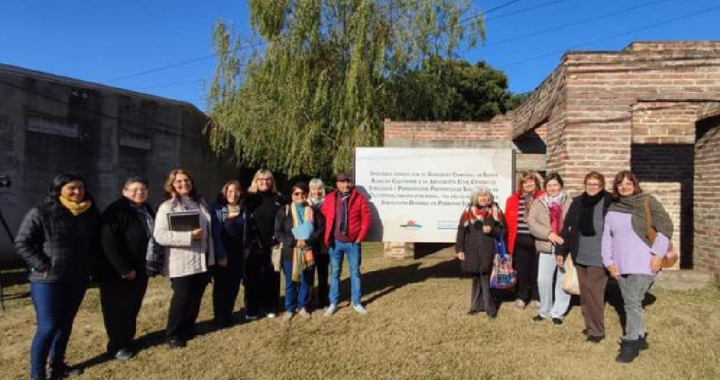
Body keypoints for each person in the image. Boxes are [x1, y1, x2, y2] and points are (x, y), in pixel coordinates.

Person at [15, 173, 101, 380]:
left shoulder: (90, 212)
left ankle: (57, 366)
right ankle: (37, 374)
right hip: (47, 280)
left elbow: (95, 244)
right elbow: (22, 242)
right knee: (48, 326)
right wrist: (42, 265)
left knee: (65, 324)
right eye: (72, 188)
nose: (77, 192)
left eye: (81, 187)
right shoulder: (42, 212)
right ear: (59, 189)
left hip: (77, 278)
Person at [602, 170, 672, 363]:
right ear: (616, 188)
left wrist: (658, 255)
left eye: (628, 183)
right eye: (620, 184)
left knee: (631, 303)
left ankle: (630, 343)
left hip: (644, 263)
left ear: (635, 185)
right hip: (620, 265)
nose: (624, 187)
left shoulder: (647, 201)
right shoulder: (613, 208)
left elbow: (666, 227)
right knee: (632, 302)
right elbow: (607, 237)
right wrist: (608, 262)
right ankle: (641, 337)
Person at [153, 169, 215, 349]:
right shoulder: (167, 206)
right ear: (172, 184)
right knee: (181, 298)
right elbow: (160, 235)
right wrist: (189, 237)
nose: (183, 184)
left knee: (196, 297)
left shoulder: (200, 202)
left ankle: (188, 328)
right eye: (178, 181)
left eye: (186, 180)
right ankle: (173, 334)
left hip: (202, 259)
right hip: (181, 261)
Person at [98, 177, 158, 361]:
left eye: (143, 189)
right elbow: (108, 242)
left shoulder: (146, 209)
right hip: (118, 272)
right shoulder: (116, 211)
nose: (139, 193)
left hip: (140, 268)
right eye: (134, 190)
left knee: (132, 306)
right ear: (124, 191)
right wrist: (123, 268)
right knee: (117, 309)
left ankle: (127, 339)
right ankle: (116, 346)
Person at [556, 172, 613, 342]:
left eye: (596, 184)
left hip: (600, 257)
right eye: (589, 184)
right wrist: (561, 251)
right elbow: (567, 228)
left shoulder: (610, 202)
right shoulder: (578, 202)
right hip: (580, 255)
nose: (592, 187)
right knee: (585, 293)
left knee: (594, 293)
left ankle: (597, 331)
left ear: (602, 186)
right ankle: (590, 325)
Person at [321, 172, 371, 316]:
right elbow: (324, 215)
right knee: (335, 273)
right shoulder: (330, 198)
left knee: (355, 272)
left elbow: (366, 219)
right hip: (335, 243)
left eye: (348, 181)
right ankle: (333, 303)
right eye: (342, 182)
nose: (346, 185)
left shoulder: (359, 198)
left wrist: (359, 237)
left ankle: (356, 302)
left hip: (353, 243)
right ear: (337, 183)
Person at [528, 172, 573, 326]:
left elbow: (574, 223)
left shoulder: (569, 201)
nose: (552, 188)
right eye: (549, 185)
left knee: (562, 280)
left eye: (555, 184)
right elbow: (532, 223)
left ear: (560, 185)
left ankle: (558, 313)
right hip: (546, 245)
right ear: (545, 187)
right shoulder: (539, 202)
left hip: (565, 246)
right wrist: (549, 234)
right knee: (543, 280)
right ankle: (544, 310)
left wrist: (565, 238)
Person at [274, 182, 324, 322]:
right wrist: (294, 242)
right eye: (297, 193)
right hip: (290, 252)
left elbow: (320, 230)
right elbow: (278, 232)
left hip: (308, 251)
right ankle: (289, 309)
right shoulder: (284, 211)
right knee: (291, 282)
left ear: (307, 195)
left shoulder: (313, 211)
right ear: (292, 195)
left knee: (306, 281)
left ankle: (303, 307)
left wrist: (307, 241)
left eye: (303, 193)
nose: (300, 196)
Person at [455, 187, 506, 319]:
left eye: (486, 196)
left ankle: (489, 308)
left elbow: (503, 231)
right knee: (476, 276)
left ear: (490, 198)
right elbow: (461, 230)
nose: (483, 198)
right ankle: (475, 306)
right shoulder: (468, 211)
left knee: (485, 276)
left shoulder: (496, 211)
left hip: (488, 250)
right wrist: (459, 249)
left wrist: (492, 230)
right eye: (480, 196)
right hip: (471, 249)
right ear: (475, 198)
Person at [244, 169, 285, 320]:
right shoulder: (248, 198)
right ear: (255, 180)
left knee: (272, 276)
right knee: (252, 278)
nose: (264, 182)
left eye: (267, 179)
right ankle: (252, 308)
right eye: (261, 179)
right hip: (254, 246)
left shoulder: (279, 198)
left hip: (274, 245)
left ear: (272, 181)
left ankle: (271, 306)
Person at [210, 180, 249, 328]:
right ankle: (219, 317)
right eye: (230, 191)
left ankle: (228, 313)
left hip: (238, 254)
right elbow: (215, 234)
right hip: (223, 254)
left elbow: (246, 232)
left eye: (236, 191)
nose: (233, 194)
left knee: (234, 286)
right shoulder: (218, 209)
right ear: (224, 192)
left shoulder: (243, 210)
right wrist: (221, 255)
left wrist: (247, 249)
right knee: (221, 286)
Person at [505, 171, 544, 311]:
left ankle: (536, 296)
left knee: (536, 270)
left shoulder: (543, 197)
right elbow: (507, 222)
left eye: (531, 181)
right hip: (519, 241)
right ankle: (521, 296)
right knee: (521, 270)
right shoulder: (512, 200)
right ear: (521, 185)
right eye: (525, 182)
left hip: (537, 240)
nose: (528, 184)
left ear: (536, 183)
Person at [308, 178, 329, 308]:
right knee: (309, 274)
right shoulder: (305, 204)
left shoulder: (327, 203)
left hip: (323, 245)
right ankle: (308, 300)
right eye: (314, 189)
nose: (317, 191)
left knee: (323, 274)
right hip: (310, 244)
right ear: (310, 190)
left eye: (319, 188)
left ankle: (323, 299)